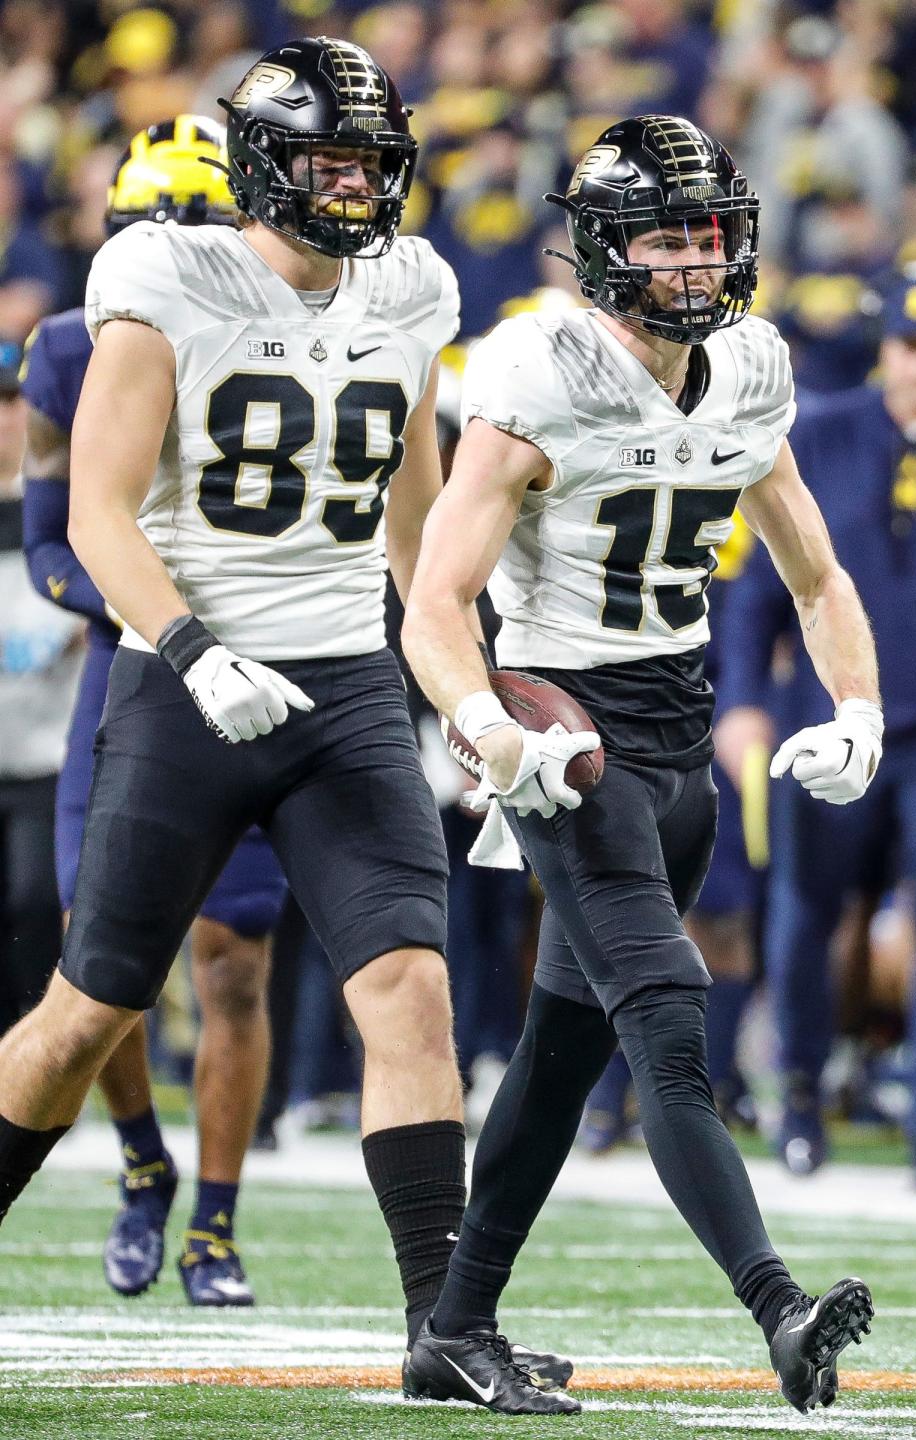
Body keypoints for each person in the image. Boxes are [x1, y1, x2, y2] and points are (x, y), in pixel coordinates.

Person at [0, 35, 498, 1372]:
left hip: (340, 688)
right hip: (186, 684)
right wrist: (190, 645)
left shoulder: (412, 290)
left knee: (409, 992)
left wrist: (464, 684)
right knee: (89, 1009)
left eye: (369, 159)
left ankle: (441, 1328)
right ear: (264, 166)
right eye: (328, 157)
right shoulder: (166, 274)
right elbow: (98, 514)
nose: (352, 184)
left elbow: (418, 519)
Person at [402, 114, 880, 1415]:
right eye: (668, 236)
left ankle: (451, 1329)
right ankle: (779, 1309)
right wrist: (492, 733)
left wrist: (858, 705)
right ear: (606, 248)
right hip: (572, 734)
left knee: (560, 1058)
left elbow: (818, 569)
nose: (697, 260)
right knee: (671, 1024)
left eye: (712, 232)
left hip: (680, 732)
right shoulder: (538, 369)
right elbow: (435, 602)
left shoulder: (749, 369)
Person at [20, 115, 289, 1306]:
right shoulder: (71, 347)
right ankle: (142, 1164)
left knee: (234, 967)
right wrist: (158, 615)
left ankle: (216, 1226)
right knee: (100, 957)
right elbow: (48, 543)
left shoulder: (304, 335)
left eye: (184, 224)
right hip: (135, 679)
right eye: (143, 226)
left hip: (273, 672)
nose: (161, 251)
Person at [715, 265, 916, 1190]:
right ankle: (801, 1103)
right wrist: (739, 699)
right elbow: (753, 590)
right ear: (883, 346)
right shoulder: (816, 435)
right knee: (803, 913)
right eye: (910, 346)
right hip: (822, 716)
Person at [0, 354, 84, 1037]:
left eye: (11, 402)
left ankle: (32, 1056)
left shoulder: (63, 497)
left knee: (37, 902)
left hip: (48, 749)